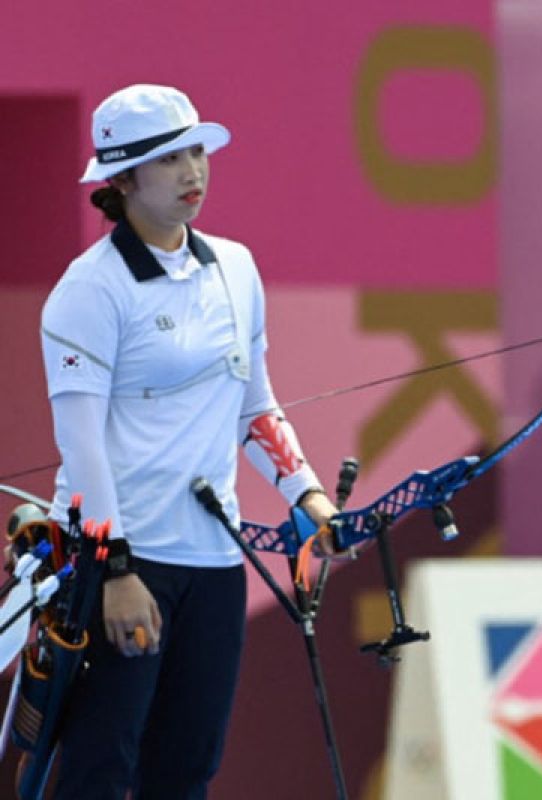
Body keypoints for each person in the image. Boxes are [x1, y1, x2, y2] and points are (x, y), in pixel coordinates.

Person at [38, 84, 340, 799]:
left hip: (212, 563)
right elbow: (80, 446)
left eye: (196, 151)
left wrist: (311, 499)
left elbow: (253, 406)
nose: (191, 172)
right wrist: (112, 571)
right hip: (117, 563)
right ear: (123, 180)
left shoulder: (235, 267)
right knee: (98, 770)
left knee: (188, 769)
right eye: (168, 158)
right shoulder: (90, 290)